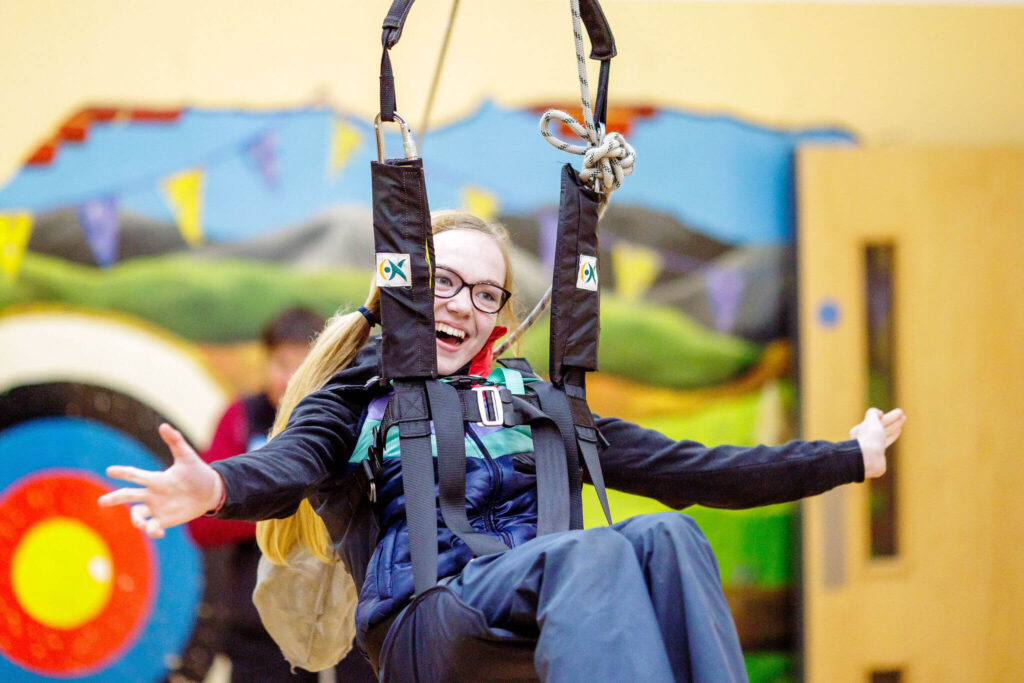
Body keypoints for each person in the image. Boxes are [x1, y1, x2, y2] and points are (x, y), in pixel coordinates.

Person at [99, 210, 906, 682]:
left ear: (500, 313)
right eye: (443, 283)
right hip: (430, 618)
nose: (463, 305)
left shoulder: (534, 402)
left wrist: (847, 456)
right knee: (590, 554)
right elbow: (292, 463)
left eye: (485, 294)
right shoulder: (364, 392)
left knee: (669, 534)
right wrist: (215, 488)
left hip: (532, 598)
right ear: (404, 292)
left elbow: (690, 468)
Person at [186, 307, 378, 682]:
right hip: (264, 621)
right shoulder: (241, 418)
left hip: (357, 611)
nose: (290, 380)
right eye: (280, 363)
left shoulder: (361, 416)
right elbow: (202, 527)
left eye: (303, 365)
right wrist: (276, 494)